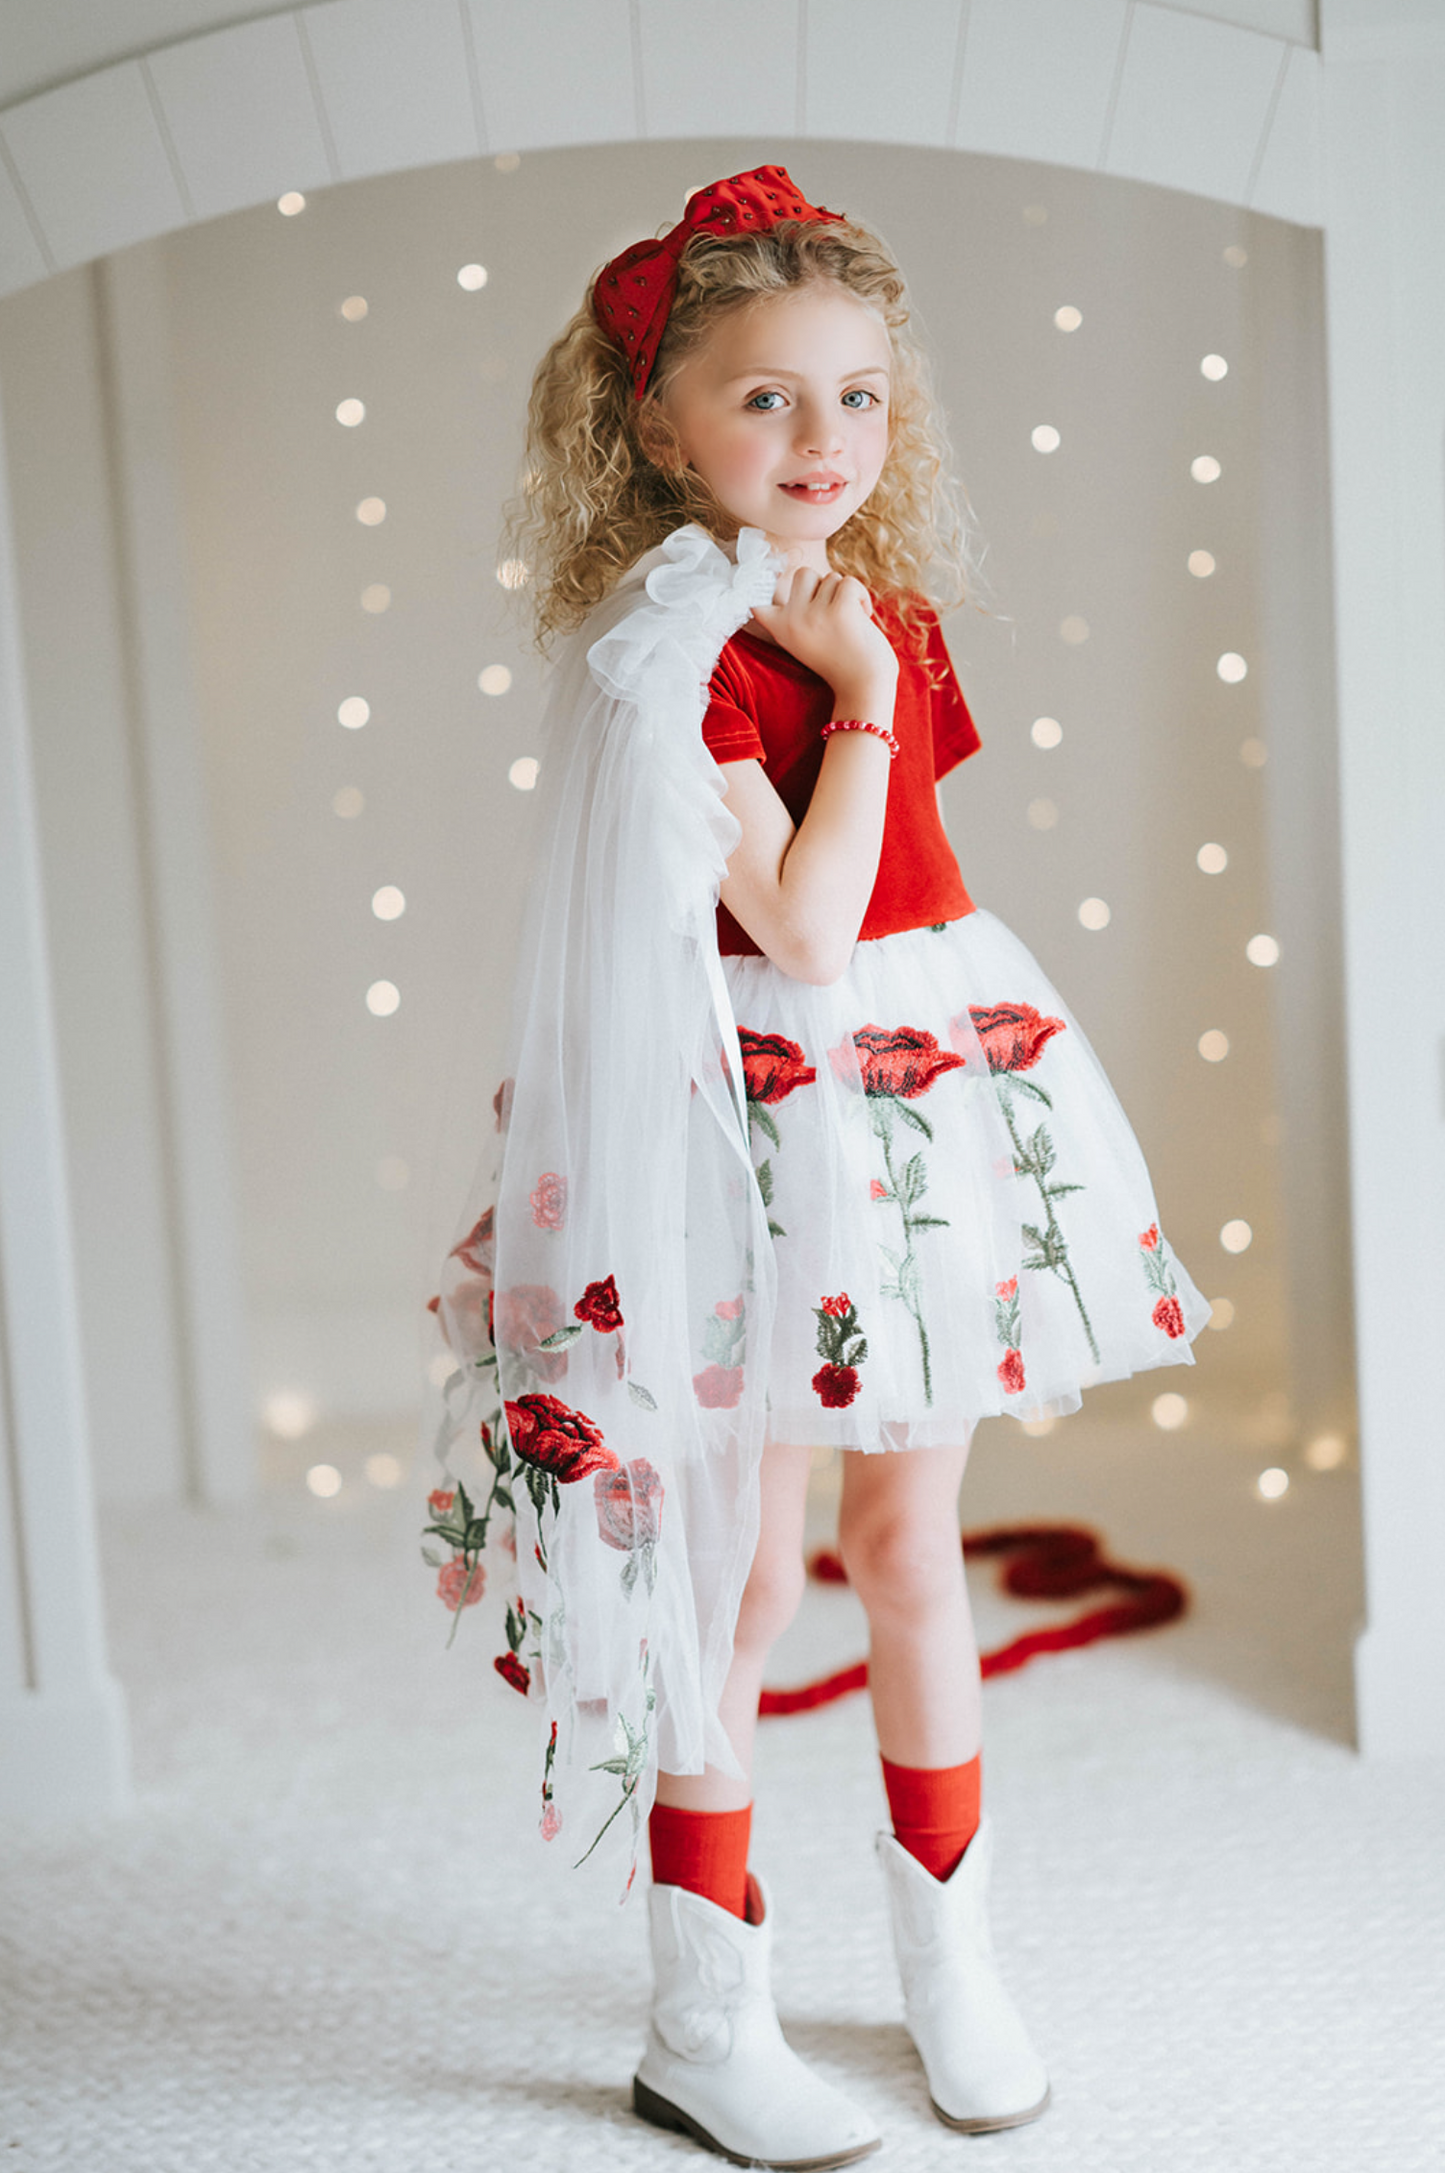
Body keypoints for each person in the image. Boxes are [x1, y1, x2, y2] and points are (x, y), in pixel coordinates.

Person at [421, 165, 1210, 2169]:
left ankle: (948, 1954)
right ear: (659, 417)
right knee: (740, 1558)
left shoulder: (884, 605)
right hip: (745, 1119)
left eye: (857, 398)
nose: (822, 444)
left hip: (910, 1107)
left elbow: (900, 922)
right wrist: (851, 700)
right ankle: (704, 1998)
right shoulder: (663, 648)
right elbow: (801, 925)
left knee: (905, 1546)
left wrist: (873, 668)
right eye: (766, 399)